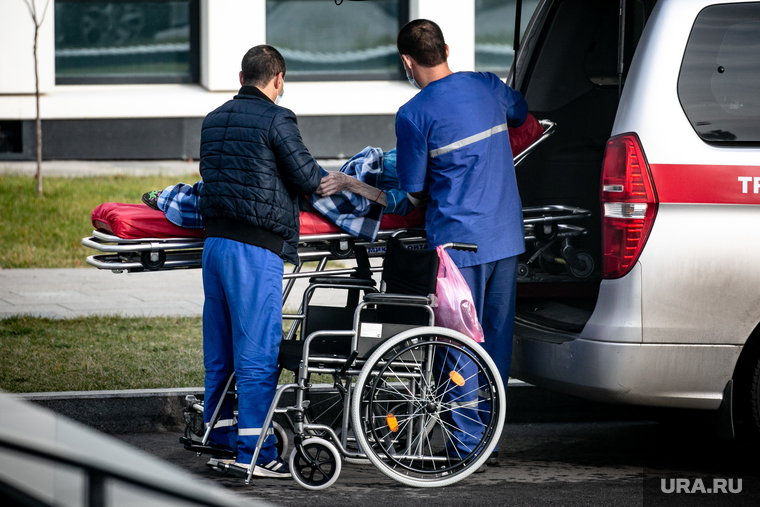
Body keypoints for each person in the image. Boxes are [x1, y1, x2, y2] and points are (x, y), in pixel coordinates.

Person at [394, 19, 528, 461]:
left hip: (456, 247)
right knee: (494, 340)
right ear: (447, 49)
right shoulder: (487, 85)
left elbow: (413, 189)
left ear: (407, 62)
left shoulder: (414, 114)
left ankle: (466, 444)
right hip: (505, 237)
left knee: (459, 344)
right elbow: (521, 113)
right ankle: (489, 434)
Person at [199, 45, 321, 478]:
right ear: (279, 79)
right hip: (254, 250)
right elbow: (308, 178)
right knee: (256, 355)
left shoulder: (212, 120)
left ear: (240, 76)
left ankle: (221, 437)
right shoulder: (277, 118)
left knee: (221, 352)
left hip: (213, 248)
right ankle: (258, 453)